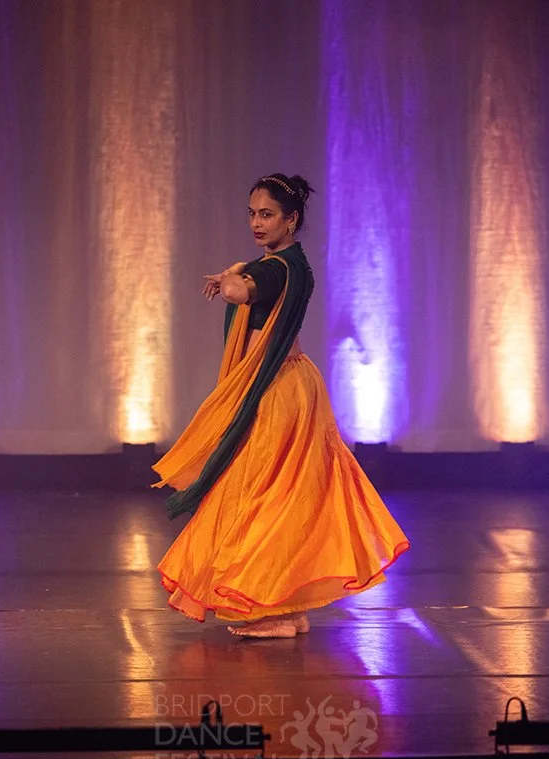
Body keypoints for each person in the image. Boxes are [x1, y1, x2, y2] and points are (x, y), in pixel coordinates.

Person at [151, 173, 409, 639]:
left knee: (260, 496)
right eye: (252, 213)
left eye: (266, 214)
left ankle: (270, 609)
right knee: (283, 495)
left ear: (291, 220)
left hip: (276, 392)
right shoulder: (291, 263)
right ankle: (286, 608)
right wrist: (237, 271)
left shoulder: (277, 268)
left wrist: (231, 275)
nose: (256, 222)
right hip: (294, 385)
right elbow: (251, 284)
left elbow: (239, 291)